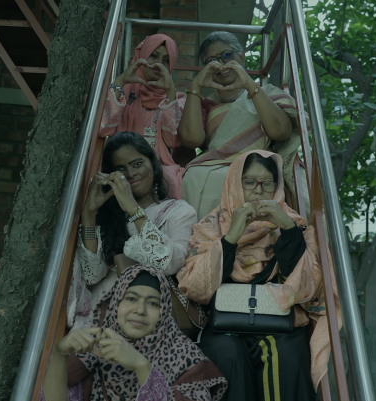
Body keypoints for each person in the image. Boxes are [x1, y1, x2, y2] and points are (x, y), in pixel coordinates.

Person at [176, 150, 340, 401]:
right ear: (235, 184)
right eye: (249, 182)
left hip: (280, 325)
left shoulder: (294, 223)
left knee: (287, 356)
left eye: (267, 184)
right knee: (224, 354)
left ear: (277, 188)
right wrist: (232, 235)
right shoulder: (212, 226)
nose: (258, 191)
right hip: (226, 324)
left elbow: (311, 286)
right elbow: (196, 287)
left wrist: (287, 228)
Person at [40, 265, 228, 401]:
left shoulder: (185, 359)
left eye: (153, 303)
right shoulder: (93, 348)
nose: (140, 310)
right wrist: (59, 354)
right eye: (131, 298)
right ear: (115, 304)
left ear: (164, 312)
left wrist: (142, 367)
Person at [67, 131, 198, 331]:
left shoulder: (179, 212)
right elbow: (92, 275)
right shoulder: (109, 216)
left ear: (152, 163)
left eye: (137, 164)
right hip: (101, 313)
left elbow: (171, 262)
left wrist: (133, 210)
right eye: (121, 169)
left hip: (148, 317)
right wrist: (89, 214)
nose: (130, 173)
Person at [178, 31, 306, 220]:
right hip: (215, 167)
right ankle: (210, 235)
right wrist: (195, 86)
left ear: (242, 56)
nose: (221, 64)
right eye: (212, 61)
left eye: (227, 55)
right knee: (193, 176)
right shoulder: (205, 104)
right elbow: (191, 139)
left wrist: (249, 85)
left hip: (258, 165)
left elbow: (281, 132)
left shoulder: (268, 94)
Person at [99, 34, 195, 199]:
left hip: (155, 172)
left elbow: (172, 140)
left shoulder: (176, 101)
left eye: (166, 60)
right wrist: (121, 81)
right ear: (142, 56)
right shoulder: (121, 93)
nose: (158, 63)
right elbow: (103, 128)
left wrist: (170, 92)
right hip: (121, 167)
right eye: (154, 55)